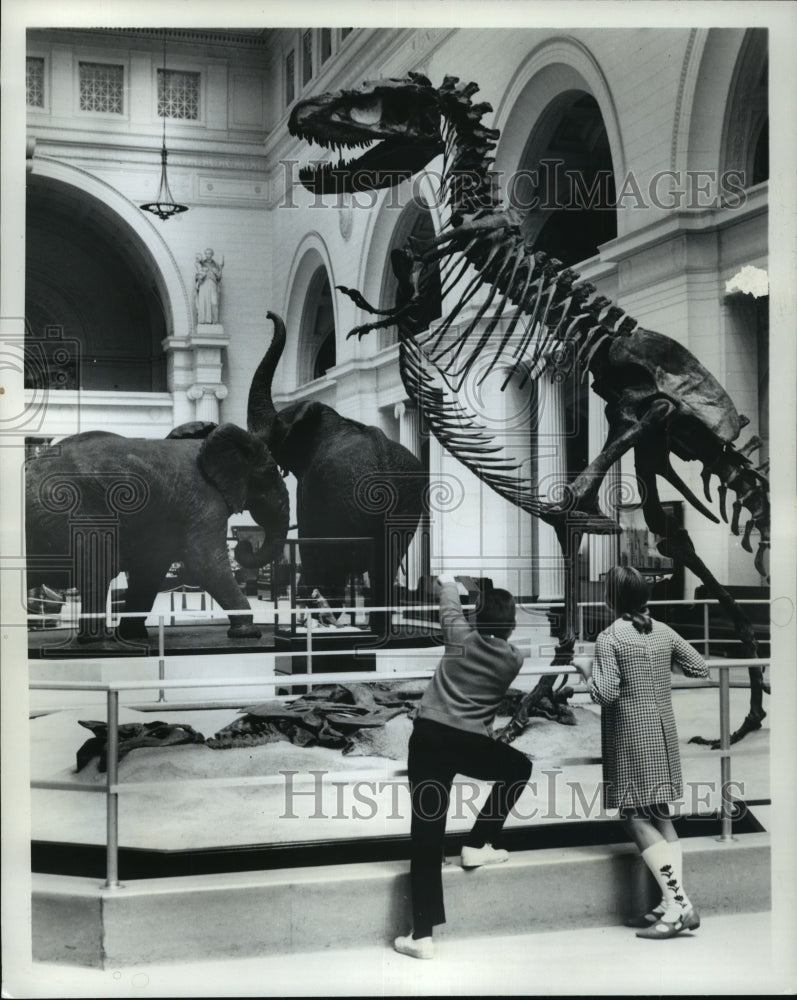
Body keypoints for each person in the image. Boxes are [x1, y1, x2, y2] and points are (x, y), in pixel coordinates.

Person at [394, 574, 532, 960]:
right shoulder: (513, 659)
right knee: (519, 769)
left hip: (429, 738)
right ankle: (476, 842)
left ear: (474, 619)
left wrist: (450, 581)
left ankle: (421, 936)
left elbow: (448, 604)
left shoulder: (459, 638)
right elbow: (479, 623)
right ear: (512, 627)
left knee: (427, 832)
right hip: (470, 743)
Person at [572, 565, 709, 940]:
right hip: (663, 731)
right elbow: (699, 667)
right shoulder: (663, 631)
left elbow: (606, 693)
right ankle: (670, 904)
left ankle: (680, 906)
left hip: (631, 735)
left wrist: (586, 669)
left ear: (610, 599)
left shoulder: (610, 637)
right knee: (660, 813)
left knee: (632, 815)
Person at [195, 248, 223, 323]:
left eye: (210, 253)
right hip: (204, 284)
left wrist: (219, 270)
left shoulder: (216, 265)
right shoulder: (201, 264)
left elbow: (219, 277)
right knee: (204, 301)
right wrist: (201, 275)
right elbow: (197, 275)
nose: (208, 255)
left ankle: (214, 320)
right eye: (207, 253)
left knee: (213, 302)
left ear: (212, 255)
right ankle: (204, 320)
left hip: (212, 283)